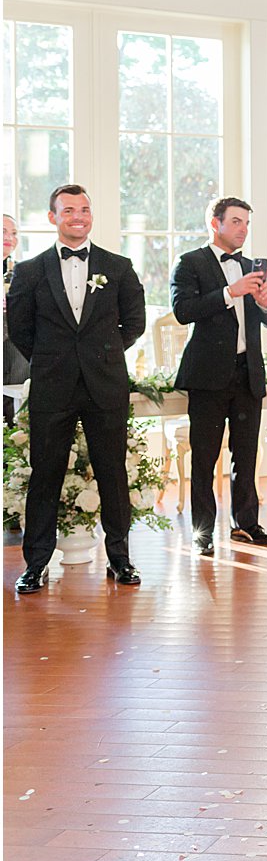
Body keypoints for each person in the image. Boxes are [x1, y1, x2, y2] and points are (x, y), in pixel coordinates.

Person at [7, 185, 146, 593]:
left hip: (105, 385)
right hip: (53, 387)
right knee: (45, 475)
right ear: (53, 217)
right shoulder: (30, 271)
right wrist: (54, 359)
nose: (78, 216)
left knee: (113, 475)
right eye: (69, 210)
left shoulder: (117, 266)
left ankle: (120, 559)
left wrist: (101, 353)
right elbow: (20, 329)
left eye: (85, 209)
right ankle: (35, 564)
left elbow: (134, 322)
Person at [170, 197, 267, 554]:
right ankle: (203, 534)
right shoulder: (190, 263)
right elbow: (183, 311)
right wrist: (228, 293)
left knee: (246, 455)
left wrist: (266, 300)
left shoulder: (252, 266)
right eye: (236, 221)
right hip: (207, 375)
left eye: (246, 223)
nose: (243, 229)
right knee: (204, 459)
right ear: (215, 223)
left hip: (247, 373)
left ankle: (246, 524)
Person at [3, 213, 30, 424]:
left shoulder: (20, 272)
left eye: (14, 233)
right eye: (3, 231)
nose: (10, 238)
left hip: (15, 346)